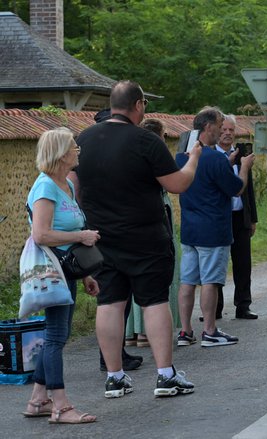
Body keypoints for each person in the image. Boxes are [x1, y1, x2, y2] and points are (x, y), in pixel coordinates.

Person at [76, 80, 201, 398]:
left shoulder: (83, 140)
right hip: (145, 238)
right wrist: (194, 158)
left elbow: (73, 189)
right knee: (154, 302)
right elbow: (177, 184)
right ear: (139, 105)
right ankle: (165, 376)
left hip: (101, 238)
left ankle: (115, 377)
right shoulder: (145, 140)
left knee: (110, 303)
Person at [23, 127, 99, 424]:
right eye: (73, 146)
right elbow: (41, 234)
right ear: (60, 153)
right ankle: (61, 406)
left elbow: (66, 234)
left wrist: (84, 275)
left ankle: (38, 400)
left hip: (66, 268)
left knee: (57, 334)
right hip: (50, 270)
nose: (78, 150)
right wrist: (82, 235)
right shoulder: (45, 187)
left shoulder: (65, 183)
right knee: (55, 336)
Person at [176, 107, 255, 348]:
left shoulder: (182, 157)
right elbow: (236, 189)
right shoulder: (214, 159)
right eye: (220, 124)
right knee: (210, 281)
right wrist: (243, 167)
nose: (223, 129)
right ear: (208, 126)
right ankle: (210, 330)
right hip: (213, 230)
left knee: (188, 281)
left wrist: (226, 163)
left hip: (189, 229)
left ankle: (186, 331)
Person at [83, 108, 143, 372]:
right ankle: (110, 356)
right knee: (114, 299)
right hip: (106, 233)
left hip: (97, 231)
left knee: (111, 299)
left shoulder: (87, 150)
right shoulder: (107, 154)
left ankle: (113, 354)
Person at [123, 118, 182, 348]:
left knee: (130, 281)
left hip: (129, 223)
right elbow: (172, 183)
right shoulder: (154, 153)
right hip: (154, 219)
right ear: (161, 136)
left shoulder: (129, 153)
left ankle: (132, 332)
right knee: (155, 279)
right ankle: (147, 333)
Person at [214, 114, 258, 320]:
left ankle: (243, 305)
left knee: (243, 263)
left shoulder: (242, 156)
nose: (227, 134)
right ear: (216, 131)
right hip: (220, 218)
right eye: (223, 130)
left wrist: (253, 219)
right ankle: (215, 307)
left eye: (231, 130)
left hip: (240, 217)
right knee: (217, 262)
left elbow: (249, 190)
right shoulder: (211, 157)